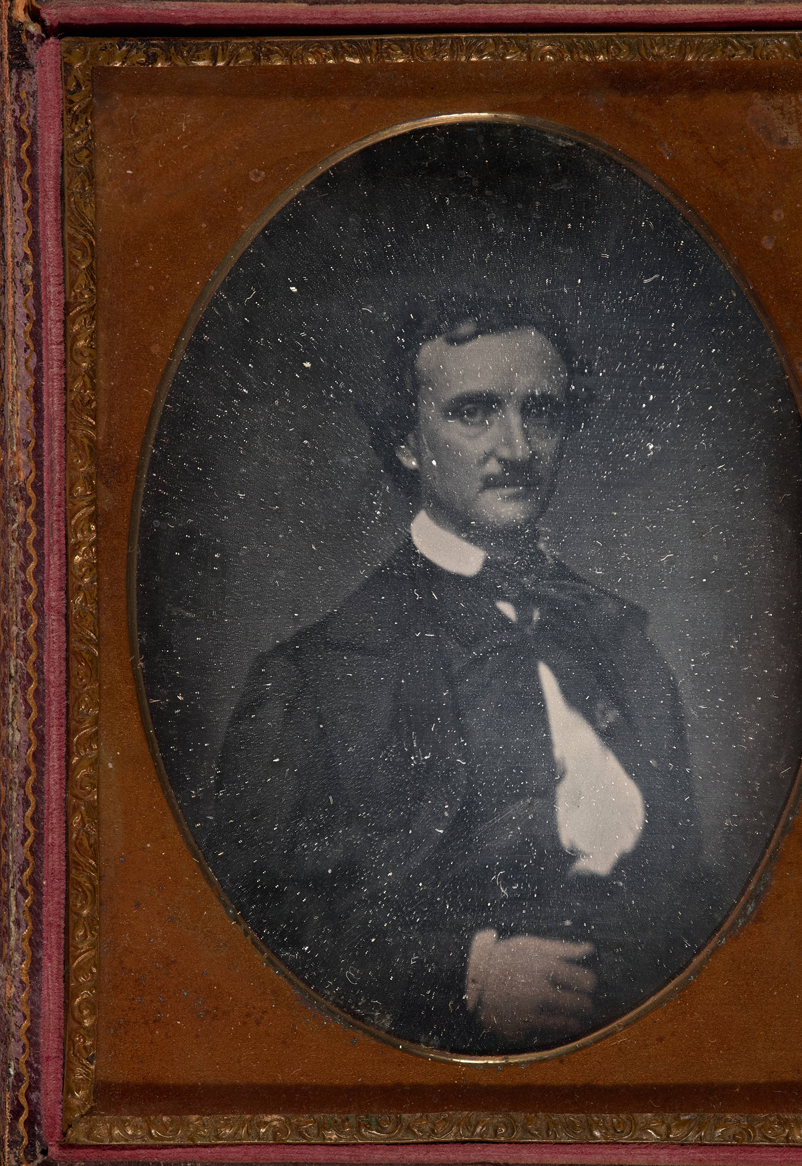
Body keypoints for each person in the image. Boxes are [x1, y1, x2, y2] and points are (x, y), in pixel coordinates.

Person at [205, 296, 707, 1054]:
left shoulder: (622, 643)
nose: (517, 446)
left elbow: (684, 886)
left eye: (540, 410)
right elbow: (253, 921)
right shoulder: (311, 679)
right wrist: (462, 971)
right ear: (408, 442)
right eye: (474, 413)